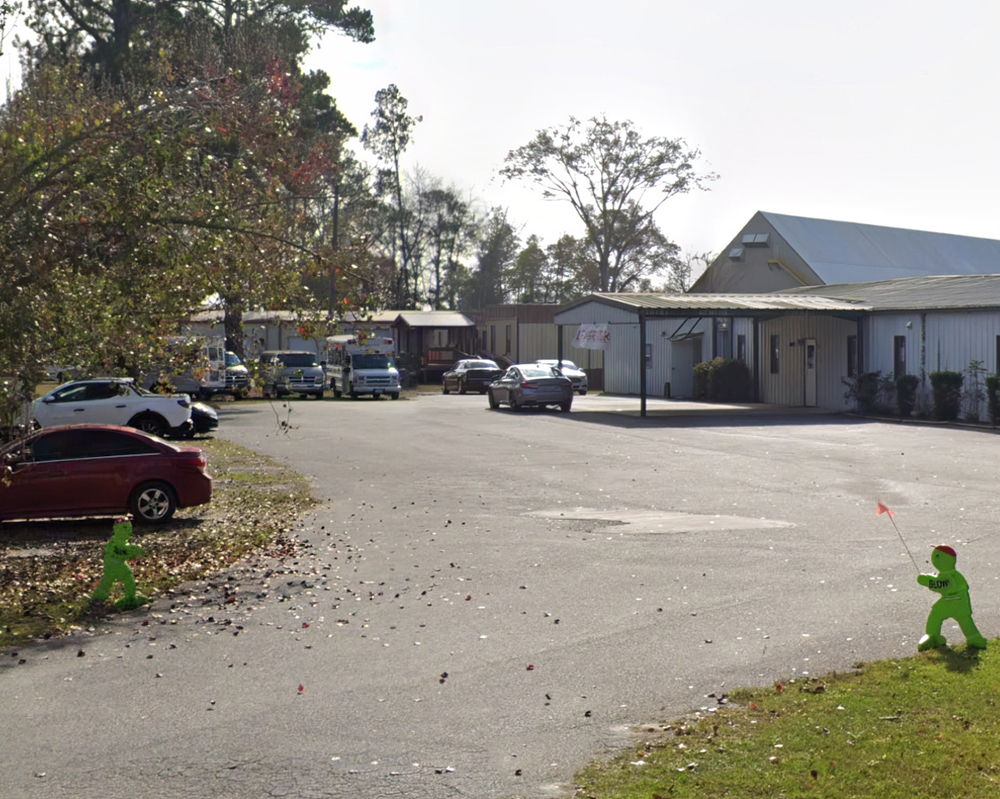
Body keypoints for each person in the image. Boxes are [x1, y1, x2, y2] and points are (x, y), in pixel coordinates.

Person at [916, 545, 987, 651]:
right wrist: (928, 579)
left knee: (936, 616)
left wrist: (927, 580)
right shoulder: (955, 575)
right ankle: (975, 638)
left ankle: (933, 636)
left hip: (951, 601)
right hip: (960, 602)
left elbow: (940, 585)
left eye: (937, 556)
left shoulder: (949, 577)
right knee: (965, 621)